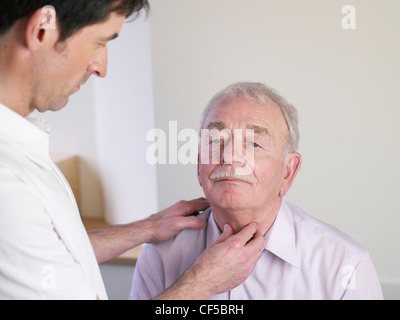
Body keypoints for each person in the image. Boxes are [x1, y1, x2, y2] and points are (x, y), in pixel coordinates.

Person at [0, 1, 265, 300]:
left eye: (255, 143)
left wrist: (146, 229)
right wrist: (200, 285)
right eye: (99, 42)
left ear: (290, 170)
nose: (101, 67)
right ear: (41, 30)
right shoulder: (8, 186)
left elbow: (47, 252)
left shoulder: (326, 256)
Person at [130, 82, 384, 300]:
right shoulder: (159, 253)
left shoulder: (345, 266)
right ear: (199, 164)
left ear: (288, 171)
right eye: (215, 140)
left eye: (254, 143)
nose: (230, 156)